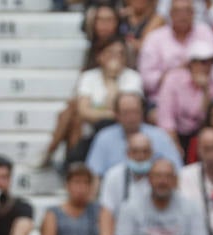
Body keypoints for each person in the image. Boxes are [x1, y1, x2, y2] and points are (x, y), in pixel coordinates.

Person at [40, 38, 143, 169]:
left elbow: (122, 109)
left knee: (85, 119)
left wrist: (112, 78)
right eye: (111, 53)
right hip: (89, 126)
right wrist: (109, 113)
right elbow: (83, 110)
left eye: (120, 54)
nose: (116, 58)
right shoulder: (88, 76)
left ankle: (51, 154)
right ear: (100, 56)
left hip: (118, 125)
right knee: (72, 114)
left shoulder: (133, 77)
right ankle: (72, 167)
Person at [115, 158, 210, 235]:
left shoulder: (192, 206)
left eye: (168, 176)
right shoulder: (130, 207)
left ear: (175, 180)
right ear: (149, 179)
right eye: (158, 176)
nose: (162, 181)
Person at [137, 0, 213, 99]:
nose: (183, 16)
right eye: (178, 11)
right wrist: (173, 76)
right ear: (170, 14)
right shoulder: (154, 38)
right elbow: (146, 79)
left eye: (187, 11)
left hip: (202, 98)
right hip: (161, 99)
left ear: (193, 13)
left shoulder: (205, 33)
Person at [85, 91, 183, 177]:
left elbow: (176, 170)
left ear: (142, 112)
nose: (131, 118)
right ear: (116, 114)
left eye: (135, 112)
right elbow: (94, 175)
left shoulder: (160, 136)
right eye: (126, 113)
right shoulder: (104, 138)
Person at [154, 34, 213, 154]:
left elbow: (205, 119)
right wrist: (174, 145)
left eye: (211, 62)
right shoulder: (173, 79)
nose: (207, 66)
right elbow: (166, 117)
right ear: (191, 63)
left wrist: (205, 90)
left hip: (200, 137)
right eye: (202, 62)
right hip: (175, 134)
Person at [41, 162, 114, 235]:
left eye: (86, 183)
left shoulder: (102, 211)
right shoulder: (53, 213)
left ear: (91, 186)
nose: (81, 188)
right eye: (77, 182)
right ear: (67, 185)